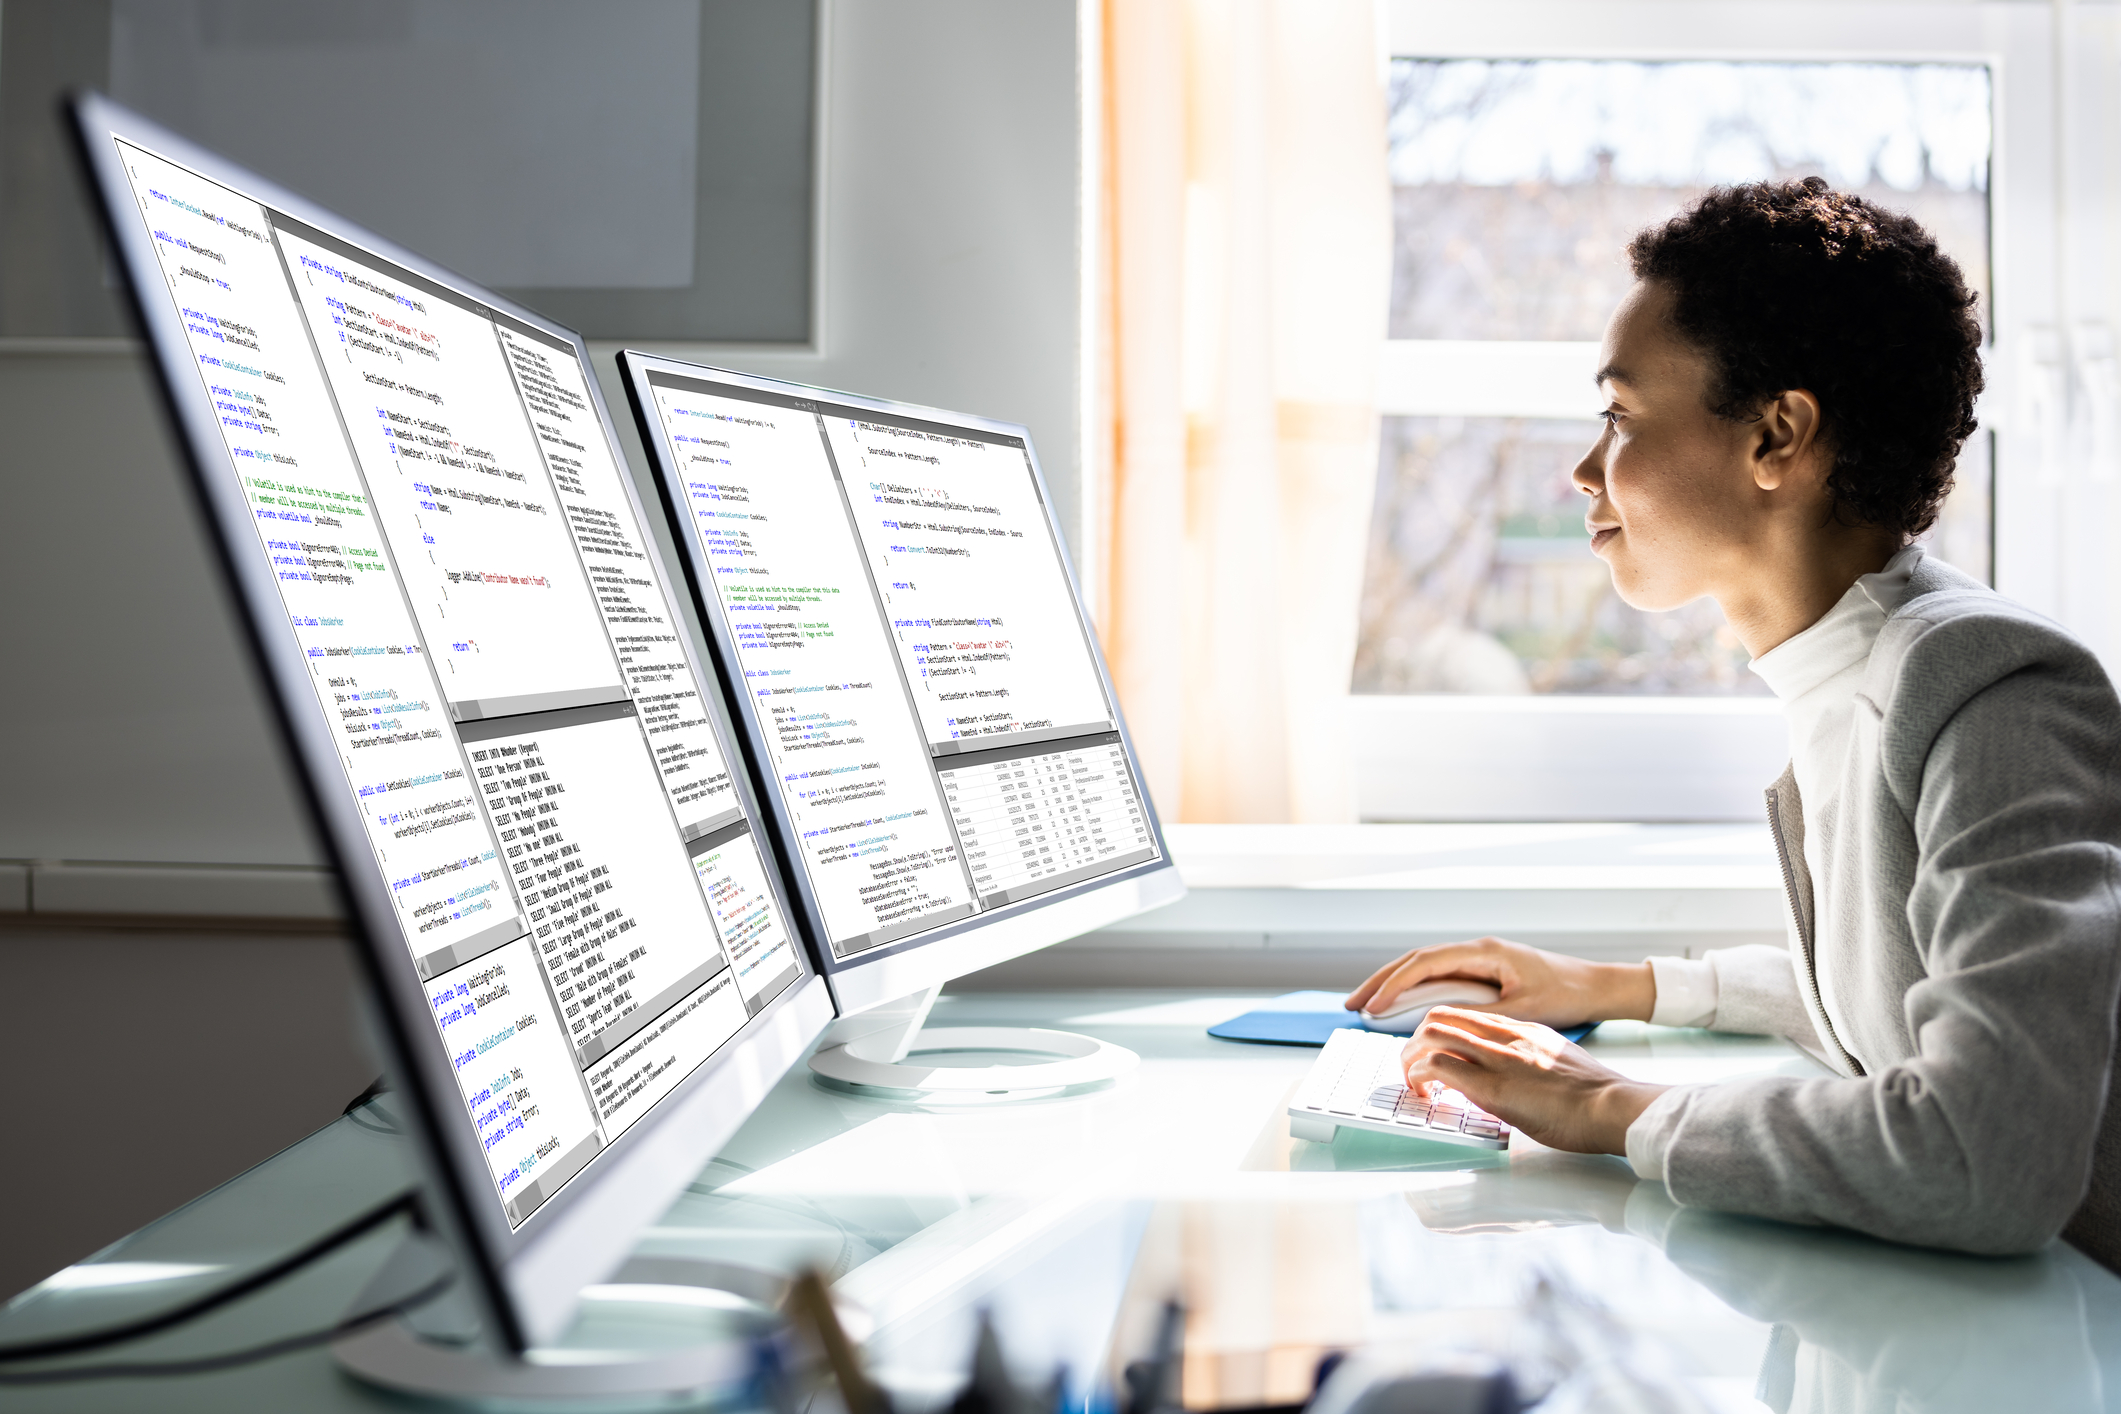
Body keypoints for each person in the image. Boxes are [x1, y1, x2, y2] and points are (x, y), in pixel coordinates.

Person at [1346, 177, 2121, 1267]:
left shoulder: (1992, 687)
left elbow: (1985, 1156)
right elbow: (1891, 993)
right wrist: (1620, 988)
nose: (1582, 469)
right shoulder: (1862, 670)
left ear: (1777, 436)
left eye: (1619, 414)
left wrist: (1615, 1110)